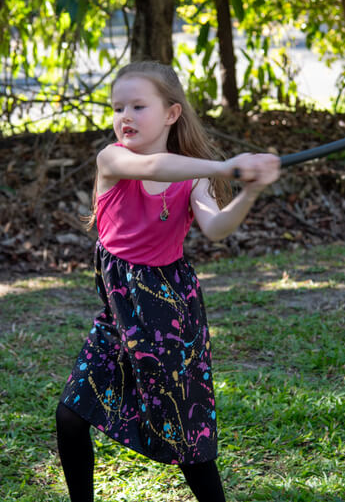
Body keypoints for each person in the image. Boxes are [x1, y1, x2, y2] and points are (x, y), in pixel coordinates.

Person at [56, 61, 280, 501]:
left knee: (187, 436)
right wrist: (224, 167)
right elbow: (154, 166)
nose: (125, 116)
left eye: (139, 106)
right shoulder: (113, 159)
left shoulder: (193, 175)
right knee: (71, 414)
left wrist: (248, 190)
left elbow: (215, 228)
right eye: (118, 106)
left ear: (171, 114)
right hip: (121, 313)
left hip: (169, 315)